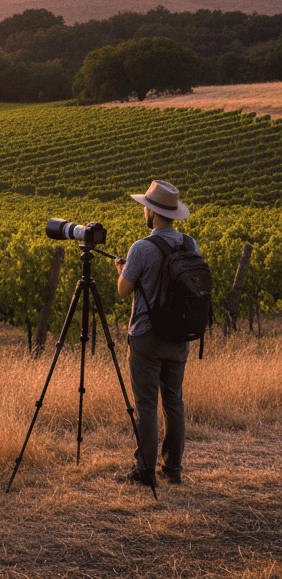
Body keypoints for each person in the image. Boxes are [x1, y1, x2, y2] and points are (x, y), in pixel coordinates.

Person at [114, 179, 198, 487]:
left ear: (151, 213)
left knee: (146, 405)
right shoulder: (190, 245)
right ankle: (172, 469)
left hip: (146, 337)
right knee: (174, 402)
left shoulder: (141, 248)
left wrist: (121, 271)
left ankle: (144, 470)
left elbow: (124, 290)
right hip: (180, 336)